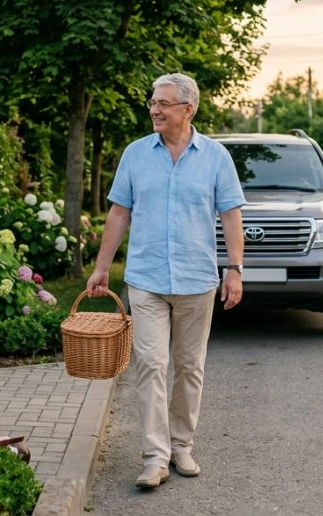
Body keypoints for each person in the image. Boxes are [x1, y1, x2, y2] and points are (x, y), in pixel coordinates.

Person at [85, 73, 245, 489]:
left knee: (190, 368)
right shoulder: (136, 154)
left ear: (188, 109)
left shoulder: (215, 157)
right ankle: (154, 457)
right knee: (151, 366)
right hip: (147, 278)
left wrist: (235, 269)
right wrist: (102, 267)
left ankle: (182, 446)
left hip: (196, 279)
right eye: (153, 102)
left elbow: (231, 215)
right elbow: (119, 213)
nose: (154, 109)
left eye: (164, 103)